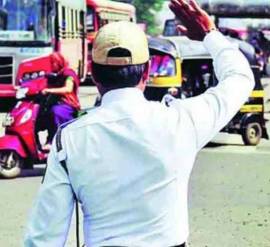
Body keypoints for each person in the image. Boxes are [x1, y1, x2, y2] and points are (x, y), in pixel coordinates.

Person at [23, 0, 255, 246]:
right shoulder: (181, 120)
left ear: (94, 74)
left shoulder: (69, 139)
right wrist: (210, 35)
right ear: (146, 72)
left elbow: (44, 238)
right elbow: (240, 78)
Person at [41, 52, 80, 150]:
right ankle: (50, 138)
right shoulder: (57, 75)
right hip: (57, 102)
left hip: (68, 104)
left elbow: (68, 89)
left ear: (59, 62)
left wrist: (49, 90)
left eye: (53, 62)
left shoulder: (68, 74)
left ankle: (55, 140)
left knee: (56, 112)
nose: (52, 65)